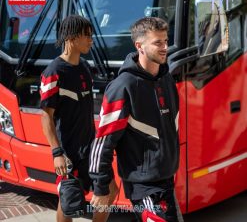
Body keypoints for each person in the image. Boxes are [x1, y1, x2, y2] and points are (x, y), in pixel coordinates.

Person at [89, 17, 183, 222]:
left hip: (166, 180)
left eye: (166, 41)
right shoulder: (122, 87)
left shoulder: (166, 79)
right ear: (139, 46)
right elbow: (102, 142)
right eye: (158, 42)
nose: (165, 47)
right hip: (144, 187)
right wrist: (101, 185)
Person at [40, 15, 118, 222]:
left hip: (91, 147)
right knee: (70, 202)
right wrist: (57, 152)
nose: (91, 40)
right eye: (87, 36)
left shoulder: (84, 67)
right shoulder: (53, 72)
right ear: (72, 38)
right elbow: (46, 117)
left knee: (110, 191)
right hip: (68, 150)